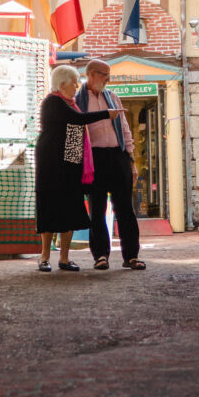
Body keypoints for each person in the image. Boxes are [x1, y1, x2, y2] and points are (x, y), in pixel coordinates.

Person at [35, 64, 122, 273]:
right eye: (74, 82)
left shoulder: (72, 104)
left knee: (70, 209)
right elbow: (77, 120)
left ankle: (64, 258)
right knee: (49, 210)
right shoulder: (52, 102)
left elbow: (76, 130)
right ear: (62, 83)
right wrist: (105, 114)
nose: (77, 86)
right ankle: (44, 257)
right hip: (51, 165)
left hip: (70, 163)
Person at [76, 59, 146, 271]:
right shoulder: (77, 101)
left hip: (118, 156)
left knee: (125, 208)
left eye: (108, 74)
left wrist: (131, 160)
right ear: (90, 74)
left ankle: (131, 256)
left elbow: (125, 130)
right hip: (94, 159)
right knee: (96, 209)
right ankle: (100, 256)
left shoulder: (112, 97)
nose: (108, 79)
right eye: (104, 74)